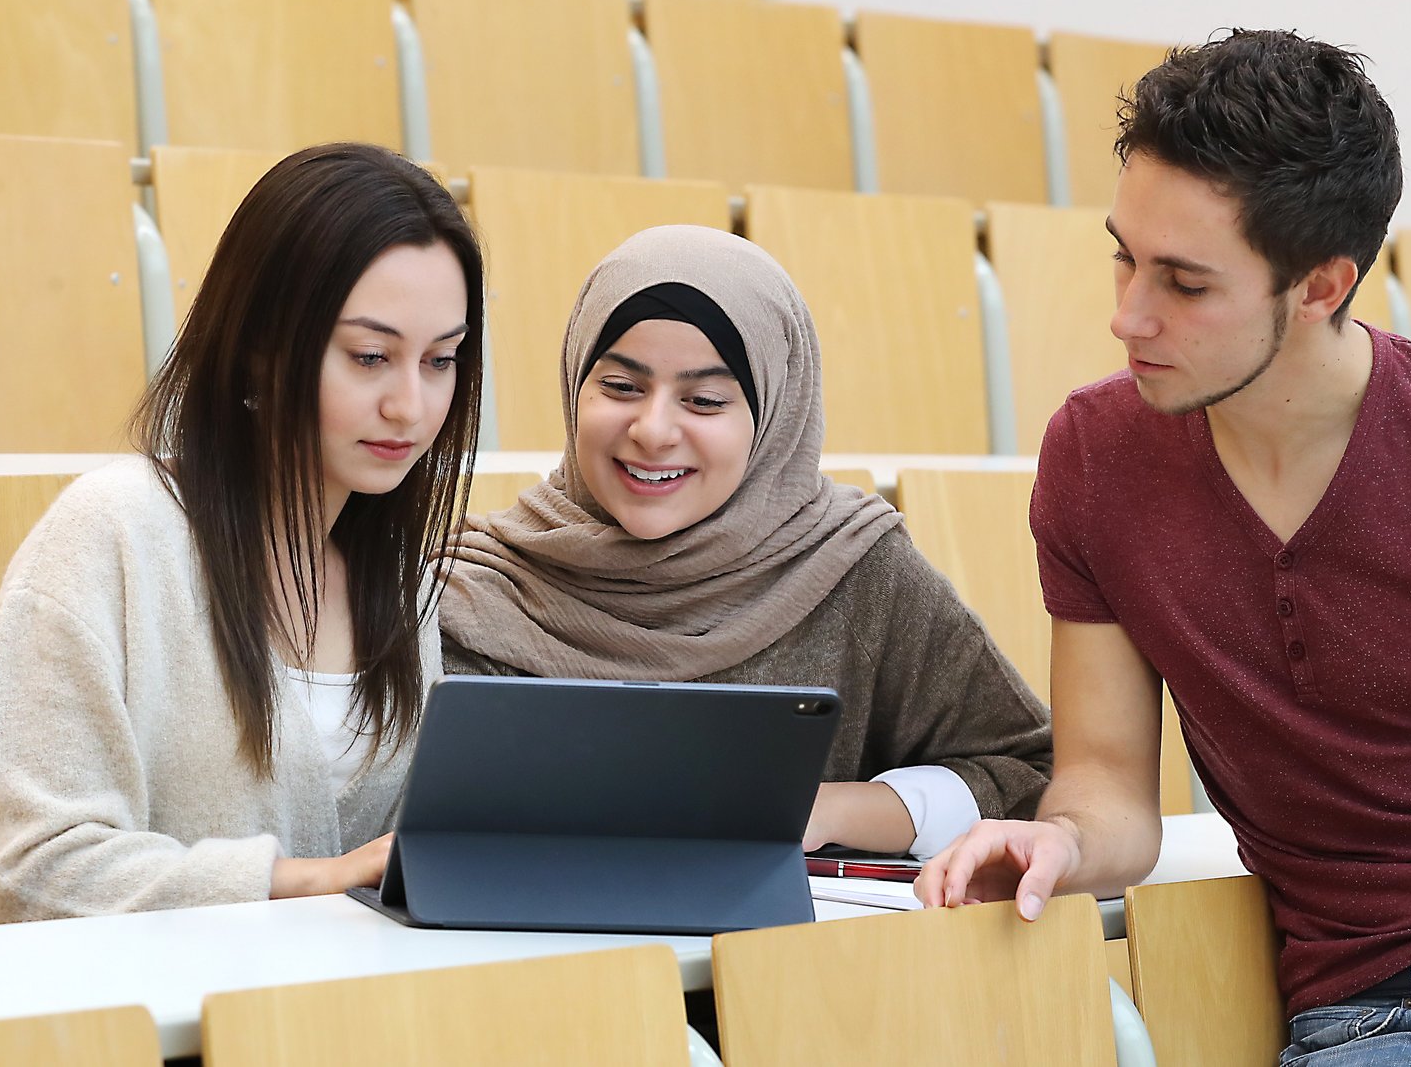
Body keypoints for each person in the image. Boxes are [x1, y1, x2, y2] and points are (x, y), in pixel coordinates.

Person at [916, 29, 1411, 1062]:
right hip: (1391, 1016)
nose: (1126, 315)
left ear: (1319, 287)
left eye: (1184, 284)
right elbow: (1106, 787)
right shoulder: (1096, 458)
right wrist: (1061, 838)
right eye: (1124, 258)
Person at [438, 224, 1051, 858]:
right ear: (574, 386)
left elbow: (1028, 777)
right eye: (621, 387)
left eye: (704, 400)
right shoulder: (475, 589)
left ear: (774, 414)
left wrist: (830, 809)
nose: (653, 431)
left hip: (783, 955)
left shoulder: (850, 569)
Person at [0, 142, 485, 922]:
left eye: (442, 360)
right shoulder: (111, 534)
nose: (412, 406)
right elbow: (34, 866)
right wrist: (314, 878)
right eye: (370, 356)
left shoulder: (403, 585)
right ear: (259, 350)